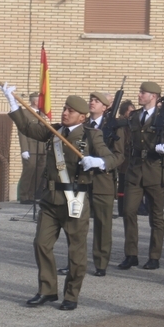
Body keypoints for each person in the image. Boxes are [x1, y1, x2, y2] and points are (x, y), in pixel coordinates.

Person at [3, 85, 116, 310]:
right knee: (41, 244)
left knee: (76, 251)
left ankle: (71, 295)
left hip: (75, 200)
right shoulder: (53, 131)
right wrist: (12, 101)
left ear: (82, 116)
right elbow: (27, 127)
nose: (65, 113)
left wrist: (98, 162)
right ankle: (47, 290)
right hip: (50, 200)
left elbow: (110, 159)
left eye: (70, 111)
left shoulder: (92, 135)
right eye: (64, 108)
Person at [57, 91, 123, 277]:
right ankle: (74, 263)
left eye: (97, 101)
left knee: (102, 224)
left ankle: (100, 263)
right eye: (91, 100)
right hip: (80, 180)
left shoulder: (116, 127)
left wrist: (100, 162)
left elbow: (119, 156)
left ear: (105, 107)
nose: (92, 103)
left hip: (103, 181)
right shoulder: (81, 125)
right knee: (75, 225)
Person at [119, 81, 164, 271]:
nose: (139, 95)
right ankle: (131, 254)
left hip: (155, 170)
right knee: (128, 212)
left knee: (156, 217)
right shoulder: (135, 116)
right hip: (135, 170)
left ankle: (154, 256)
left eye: (142, 92)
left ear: (153, 96)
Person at [18, 92, 47, 204]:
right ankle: (24, 196)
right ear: (35, 101)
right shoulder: (25, 113)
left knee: (39, 174)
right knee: (29, 172)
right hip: (31, 148)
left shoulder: (42, 114)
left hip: (42, 148)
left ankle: (32, 195)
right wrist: (24, 149)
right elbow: (22, 132)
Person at [116, 99, 135, 219]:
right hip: (123, 159)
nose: (132, 114)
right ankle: (121, 209)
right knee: (122, 185)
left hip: (131, 159)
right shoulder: (121, 124)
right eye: (130, 111)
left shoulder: (132, 124)